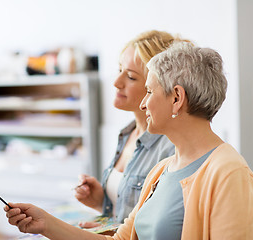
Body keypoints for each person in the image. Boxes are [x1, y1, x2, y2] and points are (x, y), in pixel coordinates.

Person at [5, 41, 253, 239]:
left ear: (176, 98)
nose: (143, 103)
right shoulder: (162, 170)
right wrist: (46, 224)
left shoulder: (229, 173)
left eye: (150, 91)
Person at [74, 30, 176, 226]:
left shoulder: (171, 149)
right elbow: (125, 211)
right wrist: (100, 202)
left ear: (156, 86)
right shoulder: (127, 133)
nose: (116, 82)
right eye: (119, 69)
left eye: (130, 76)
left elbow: (160, 229)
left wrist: (109, 232)